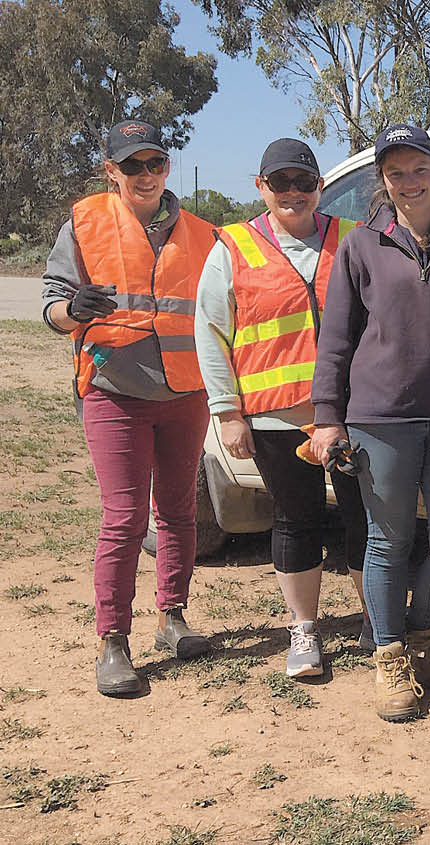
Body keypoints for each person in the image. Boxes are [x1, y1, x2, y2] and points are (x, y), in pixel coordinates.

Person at [309, 123, 430, 721]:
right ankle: (389, 656)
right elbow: (336, 339)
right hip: (378, 417)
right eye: (396, 173)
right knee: (388, 540)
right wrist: (327, 418)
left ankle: (419, 636)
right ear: (383, 181)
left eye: (419, 169)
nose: (409, 182)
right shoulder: (360, 245)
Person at [42, 120, 220, 697]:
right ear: (110, 171)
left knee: (179, 511)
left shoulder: (204, 234)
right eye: (132, 165)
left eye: (155, 163)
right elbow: (51, 308)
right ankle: (113, 641)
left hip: (185, 393)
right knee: (125, 518)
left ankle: (172, 617)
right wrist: (73, 308)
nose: (146, 175)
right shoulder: (84, 223)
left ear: (167, 167)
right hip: (114, 392)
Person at [194, 138, 369, 678]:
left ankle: (378, 622)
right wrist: (227, 412)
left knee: (364, 518)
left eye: (304, 182)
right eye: (280, 182)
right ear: (261, 187)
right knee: (296, 521)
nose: (293, 192)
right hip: (276, 416)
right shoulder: (233, 247)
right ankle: (304, 630)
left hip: (351, 411)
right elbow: (211, 332)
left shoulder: (353, 238)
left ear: (320, 186)